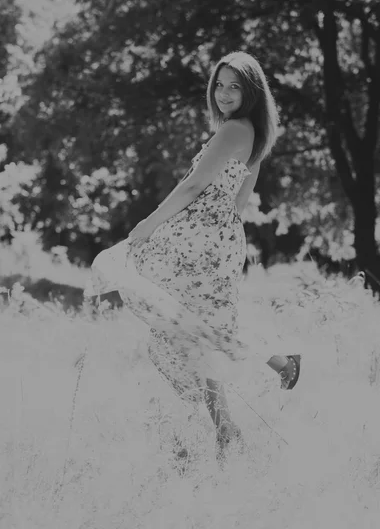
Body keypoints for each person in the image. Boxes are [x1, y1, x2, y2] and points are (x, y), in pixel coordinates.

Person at [86, 51, 300, 464]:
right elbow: (239, 203)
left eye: (235, 86)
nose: (224, 94)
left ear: (252, 91)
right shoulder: (256, 133)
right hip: (218, 238)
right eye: (219, 84)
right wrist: (216, 234)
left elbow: (193, 185)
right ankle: (229, 426)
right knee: (194, 329)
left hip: (198, 237)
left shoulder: (234, 130)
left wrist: (150, 224)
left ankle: (275, 368)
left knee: (180, 322)